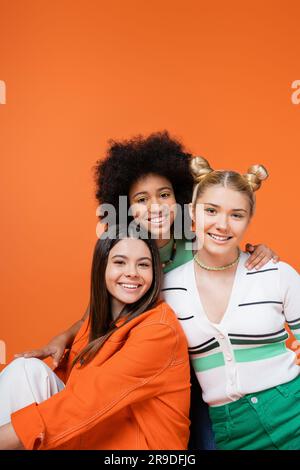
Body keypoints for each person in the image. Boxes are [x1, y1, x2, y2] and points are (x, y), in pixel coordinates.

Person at [15, 132, 279, 449]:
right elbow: (100, 310)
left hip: (205, 379)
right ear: (125, 209)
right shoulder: (124, 258)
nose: (155, 206)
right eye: (141, 200)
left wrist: (259, 253)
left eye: (164, 195)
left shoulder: (200, 246)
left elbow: (234, 251)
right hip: (145, 377)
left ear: (182, 199)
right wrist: (64, 336)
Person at [0, 227, 190, 450]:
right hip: (94, 435)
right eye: (120, 262)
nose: (132, 272)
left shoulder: (159, 330)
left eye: (143, 264)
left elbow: (88, 400)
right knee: (25, 370)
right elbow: (74, 386)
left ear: (155, 272)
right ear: (102, 267)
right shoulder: (99, 320)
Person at [162, 156, 300, 450]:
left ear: (249, 219)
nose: (222, 225)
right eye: (211, 210)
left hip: (293, 410)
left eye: (236, 215)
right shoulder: (167, 289)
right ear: (193, 213)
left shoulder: (277, 273)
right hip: (229, 430)